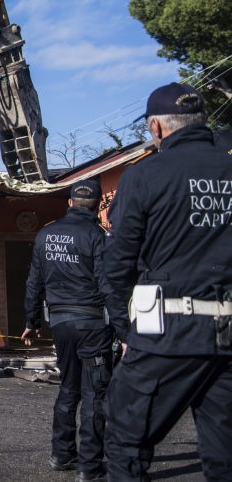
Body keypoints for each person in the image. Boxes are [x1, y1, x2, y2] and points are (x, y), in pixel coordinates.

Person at [103, 82, 232, 481]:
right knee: (224, 453)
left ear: (156, 128)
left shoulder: (145, 175)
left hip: (168, 333)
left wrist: (127, 329)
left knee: (126, 440)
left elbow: (119, 262)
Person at [22, 179, 123, 482]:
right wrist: (124, 329)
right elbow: (109, 287)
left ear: (69, 203)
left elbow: (33, 283)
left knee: (69, 388)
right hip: (92, 324)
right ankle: (89, 467)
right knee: (95, 394)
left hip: (61, 323)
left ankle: (62, 454)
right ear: (96, 207)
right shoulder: (98, 237)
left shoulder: (45, 235)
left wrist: (31, 322)